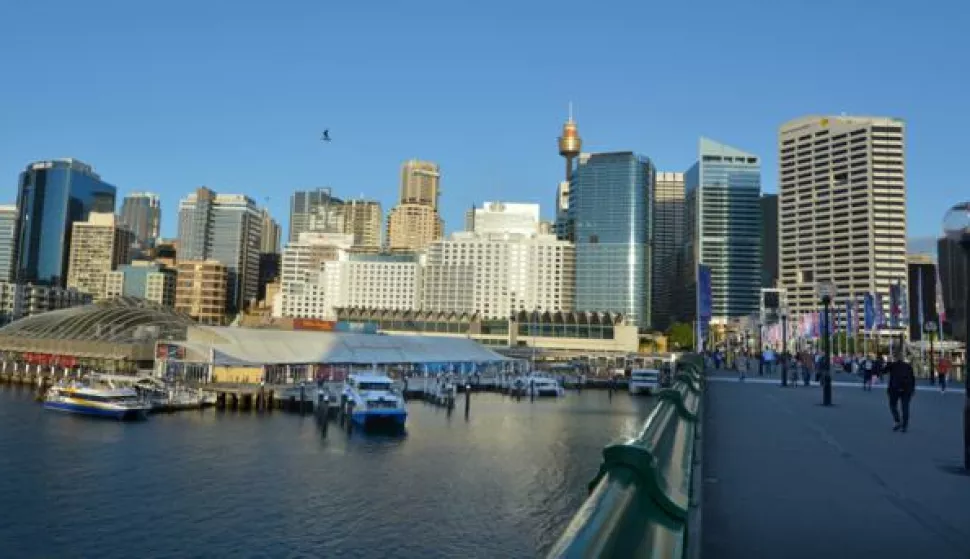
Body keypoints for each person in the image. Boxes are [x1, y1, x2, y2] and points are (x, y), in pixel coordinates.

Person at [886, 351, 916, 432]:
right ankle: (904, 426)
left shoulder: (893, 366)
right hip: (906, 389)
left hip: (894, 389)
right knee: (905, 407)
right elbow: (913, 378)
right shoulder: (908, 366)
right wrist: (912, 389)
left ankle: (897, 421)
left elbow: (883, 371)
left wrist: (888, 361)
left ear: (895, 358)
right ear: (903, 358)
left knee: (892, 405)